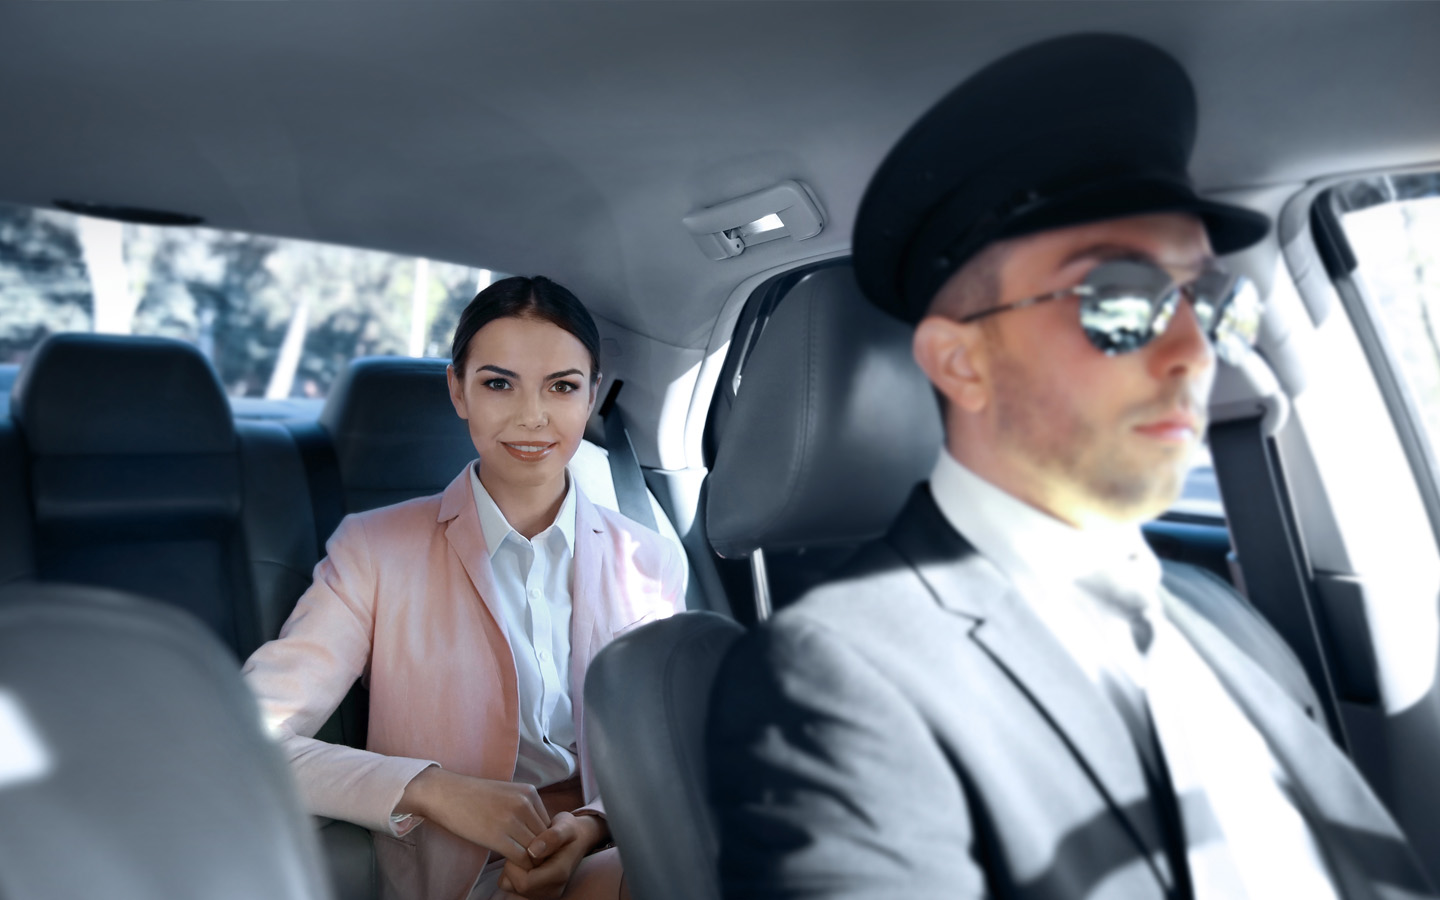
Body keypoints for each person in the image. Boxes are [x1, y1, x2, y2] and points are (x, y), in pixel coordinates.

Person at [707, 34, 1437, 900]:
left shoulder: (1221, 619)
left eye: (1203, 298)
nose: (1193, 350)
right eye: (1121, 299)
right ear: (960, 362)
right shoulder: (829, 681)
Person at [244, 275, 685, 900]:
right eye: (498, 383)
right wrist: (431, 789)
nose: (532, 417)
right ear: (458, 390)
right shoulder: (373, 549)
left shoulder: (647, 557)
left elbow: (669, 748)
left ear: (591, 399)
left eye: (561, 387)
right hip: (465, 876)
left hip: (620, 850)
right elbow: (247, 738)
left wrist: (591, 824)